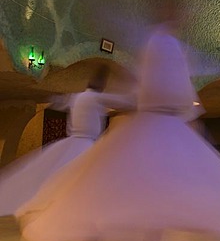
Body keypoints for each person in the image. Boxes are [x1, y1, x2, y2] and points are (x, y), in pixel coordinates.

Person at [15, 0, 220, 241]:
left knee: (144, 187)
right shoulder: (166, 45)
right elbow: (170, 88)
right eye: (177, 10)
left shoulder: (156, 44)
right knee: (151, 188)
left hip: (155, 126)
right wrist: (192, 117)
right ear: (168, 12)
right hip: (162, 128)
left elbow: (145, 87)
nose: (182, 16)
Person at [0, 64, 134, 216]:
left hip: (73, 142)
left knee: (62, 179)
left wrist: (55, 100)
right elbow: (124, 101)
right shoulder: (95, 97)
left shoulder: (76, 96)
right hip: (86, 144)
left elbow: (59, 101)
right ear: (101, 86)